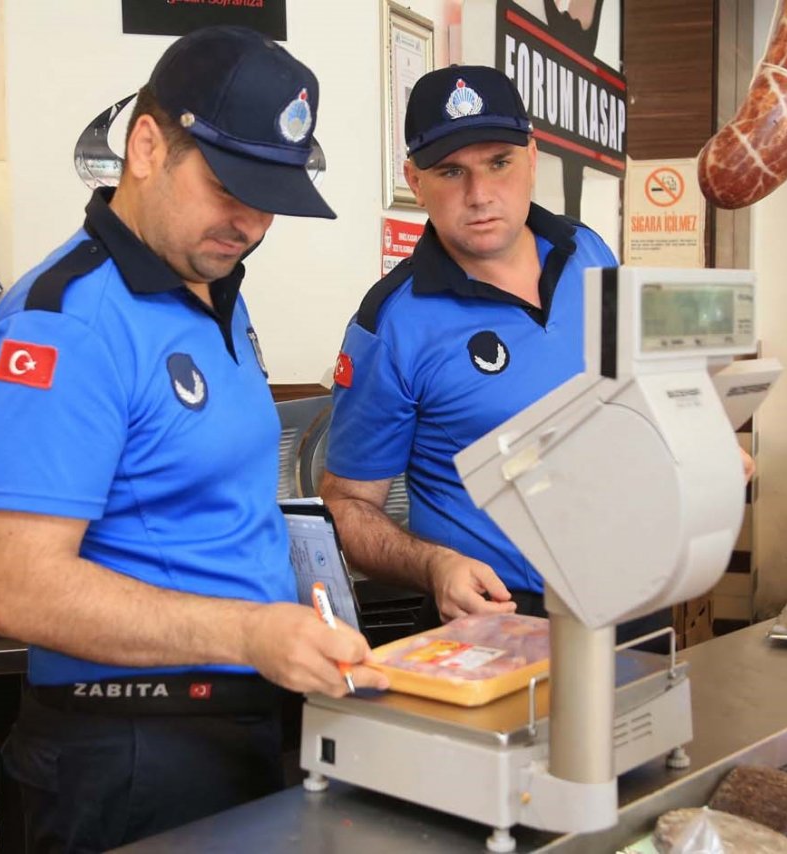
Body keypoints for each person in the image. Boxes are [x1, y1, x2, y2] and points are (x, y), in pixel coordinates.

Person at [0, 26, 386, 853]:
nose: (250, 223)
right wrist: (250, 633)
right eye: (229, 187)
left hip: (241, 722)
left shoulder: (211, 286)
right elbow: (23, 590)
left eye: (270, 198)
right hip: (129, 751)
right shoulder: (65, 325)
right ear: (148, 146)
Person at [321, 65, 754, 639]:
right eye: (451, 171)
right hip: (496, 619)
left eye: (499, 162)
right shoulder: (391, 324)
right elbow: (347, 506)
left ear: (532, 156)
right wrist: (435, 565)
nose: (480, 196)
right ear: (415, 180)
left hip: (632, 592)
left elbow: (633, 404)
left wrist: (703, 454)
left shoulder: (588, 251)